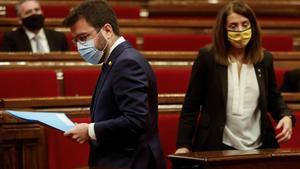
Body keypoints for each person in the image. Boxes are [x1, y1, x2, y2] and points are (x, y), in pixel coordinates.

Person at [175, 0, 295, 154]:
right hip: (217, 145)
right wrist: (183, 144)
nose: (240, 30)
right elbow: (191, 105)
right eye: (233, 26)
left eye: (245, 24)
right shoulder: (208, 57)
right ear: (223, 30)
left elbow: (273, 98)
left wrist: (286, 116)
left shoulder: (264, 59)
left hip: (259, 146)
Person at [62, 1, 166, 169]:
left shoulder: (127, 62)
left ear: (107, 30)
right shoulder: (115, 60)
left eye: (83, 38)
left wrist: (90, 130)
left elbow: (136, 121)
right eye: (76, 41)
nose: (80, 47)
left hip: (130, 161)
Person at [1, 0, 69, 52]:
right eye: (28, 12)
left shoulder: (58, 37)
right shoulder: (11, 39)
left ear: (42, 12)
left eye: (37, 10)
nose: (34, 13)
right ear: (20, 19)